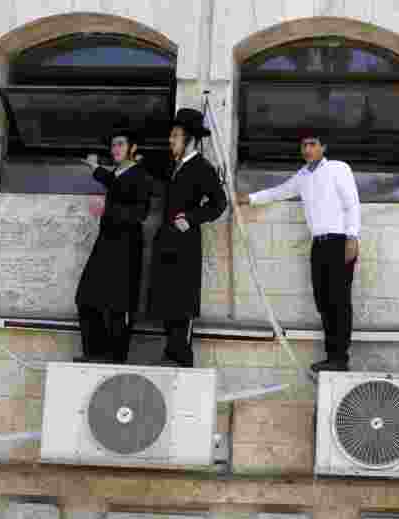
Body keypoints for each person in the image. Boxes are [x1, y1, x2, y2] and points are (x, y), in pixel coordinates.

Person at [237, 132, 360, 373]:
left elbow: (351, 203)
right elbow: (279, 191)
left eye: (312, 144)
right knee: (323, 301)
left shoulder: (338, 168)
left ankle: (340, 358)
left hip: (339, 241)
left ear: (323, 147)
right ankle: (331, 356)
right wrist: (248, 199)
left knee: (339, 301)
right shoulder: (303, 176)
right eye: (304, 145)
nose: (307, 149)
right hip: (319, 244)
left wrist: (352, 237)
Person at [147, 108, 227, 368]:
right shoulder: (173, 165)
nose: (171, 140)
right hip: (165, 242)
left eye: (175, 136)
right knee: (165, 300)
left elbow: (219, 203)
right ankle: (170, 352)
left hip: (185, 244)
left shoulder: (202, 168)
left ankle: (180, 357)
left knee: (181, 303)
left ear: (189, 139)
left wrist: (191, 218)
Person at [75, 123, 153, 364]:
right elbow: (113, 180)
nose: (115, 149)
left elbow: (140, 214)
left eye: (120, 144)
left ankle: (115, 358)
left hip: (126, 247)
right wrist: (96, 167)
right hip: (107, 243)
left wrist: (107, 208)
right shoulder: (119, 174)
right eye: (113, 145)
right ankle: (96, 353)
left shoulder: (141, 176)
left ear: (133, 148)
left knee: (119, 306)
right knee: (86, 298)